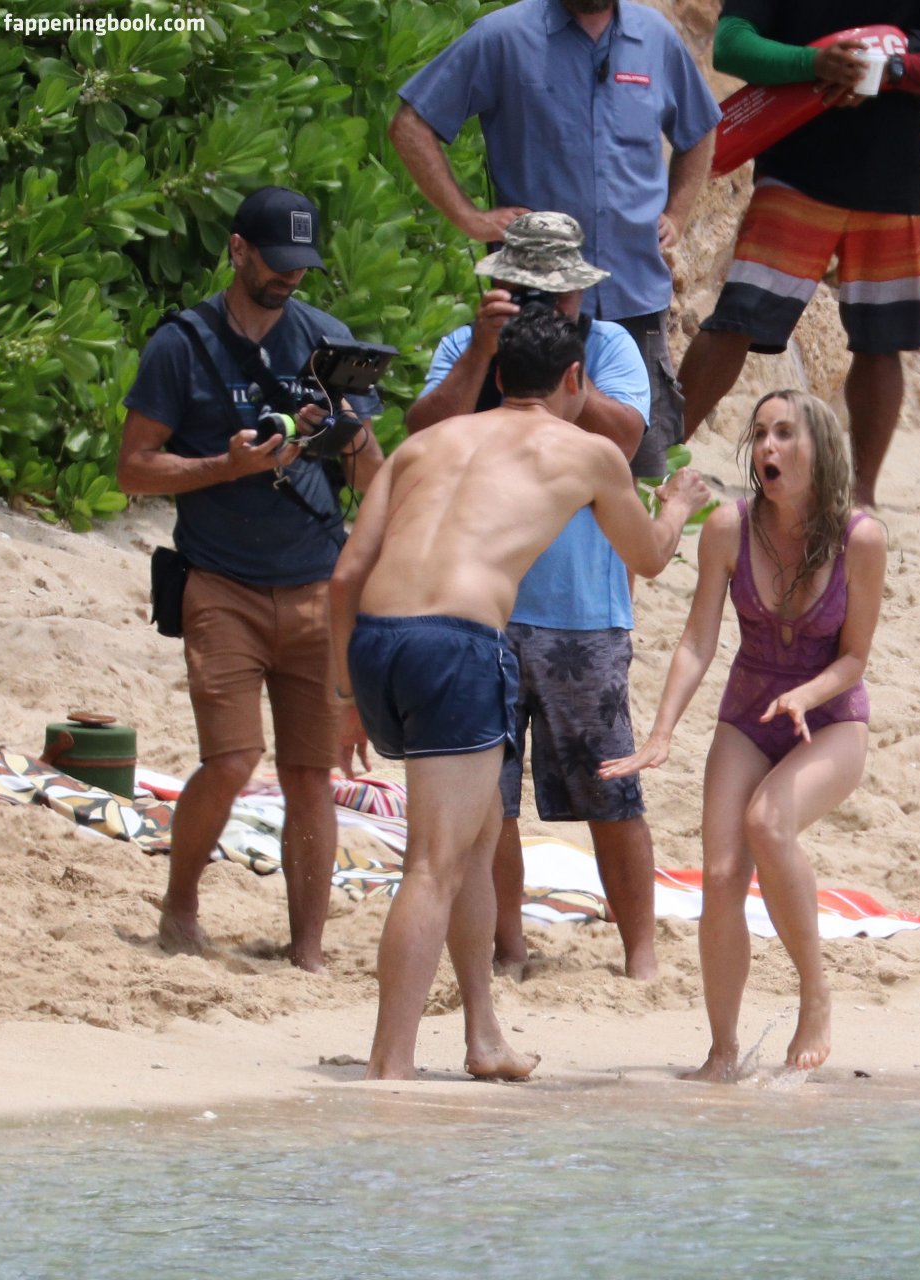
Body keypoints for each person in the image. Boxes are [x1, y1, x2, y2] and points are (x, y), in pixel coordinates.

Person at [329, 308, 711, 1080]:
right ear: (575, 378)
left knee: (473, 842)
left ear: (500, 375)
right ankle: (389, 1066)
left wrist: (343, 695)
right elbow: (648, 556)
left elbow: (345, 576)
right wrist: (675, 505)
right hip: (456, 642)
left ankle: (484, 1037)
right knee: (433, 862)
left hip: (376, 641)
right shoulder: (588, 451)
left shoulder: (425, 444)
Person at [118, 186, 384, 973]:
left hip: (316, 584)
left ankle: (308, 951)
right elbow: (133, 469)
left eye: (301, 265)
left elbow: (374, 483)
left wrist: (348, 431)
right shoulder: (181, 344)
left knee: (310, 775)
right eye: (275, 261)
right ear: (237, 250)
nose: (289, 277)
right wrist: (223, 466)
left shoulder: (327, 343)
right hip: (220, 583)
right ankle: (180, 906)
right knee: (232, 761)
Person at [600, 390, 887, 1076]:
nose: (767, 449)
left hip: (832, 719)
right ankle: (722, 1050)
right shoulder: (729, 528)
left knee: (768, 822)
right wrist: (662, 732)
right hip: (750, 716)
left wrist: (806, 695)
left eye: (784, 434)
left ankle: (814, 993)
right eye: (759, 434)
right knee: (722, 873)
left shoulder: (860, 538)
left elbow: (855, 658)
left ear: (820, 448)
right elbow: (698, 641)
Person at [407, 211, 660, 981]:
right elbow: (420, 435)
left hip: (583, 612)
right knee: (494, 801)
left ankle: (642, 953)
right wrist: (486, 353)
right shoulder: (467, 345)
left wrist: (564, 368)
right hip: (482, 611)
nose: (542, 305)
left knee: (612, 791)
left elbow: (627, 439)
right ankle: (509, 947)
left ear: (580, 292)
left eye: (555, 293)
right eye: (527, 292)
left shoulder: (608, 347)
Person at [388, 0, 722, 479]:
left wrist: (678, 212)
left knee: (632, 476)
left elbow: (701, 128)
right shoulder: (503, 36)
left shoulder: (657, 37)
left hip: (634, 299)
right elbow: (411, 124)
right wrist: (468, 217)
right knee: (514, 473)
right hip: (535, 305)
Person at [677, 1, 920, 506]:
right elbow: (731, 44)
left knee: (881, 342)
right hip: (794, 177)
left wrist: (890, 70)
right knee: (735, 320)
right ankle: (661, 460)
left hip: (892, 182)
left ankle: (861, 498)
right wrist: (813, 63)